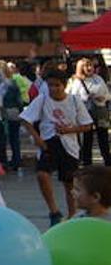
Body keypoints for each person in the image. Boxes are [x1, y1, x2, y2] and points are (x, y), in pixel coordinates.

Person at [23, 66, 93, 226]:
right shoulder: (43, 99)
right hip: (49, 142)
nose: (53, 89)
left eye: (57, 85)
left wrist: (70, 129)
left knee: (69, 183)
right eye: (50, 85)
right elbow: (26, 119)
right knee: (42, 174)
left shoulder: (74, 101)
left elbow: (87, 125)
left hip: (69, 145)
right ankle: (54, 210)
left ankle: (72, 215)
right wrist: (38, 138)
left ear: (64, 85)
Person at [70, 58, 111, 167]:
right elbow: (73, 98)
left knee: (103, 137)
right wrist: (86, 98)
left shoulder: (98, 79)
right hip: (85, 112)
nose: (89, 68)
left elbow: (108, 95)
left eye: (91, 66)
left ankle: (107, 159)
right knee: (86, 138)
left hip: (100, 111)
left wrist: (102, 98)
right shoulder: (77, 81)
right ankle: (87, 162)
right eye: (86, 66)